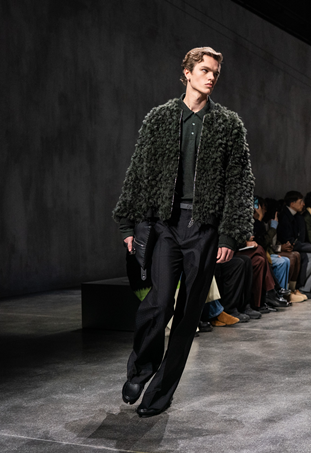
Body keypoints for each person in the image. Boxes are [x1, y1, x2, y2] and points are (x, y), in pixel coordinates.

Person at [112, 47, 254, 417]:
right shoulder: (159, 118)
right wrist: (128, 224)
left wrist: (230, 235)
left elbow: (240, 183)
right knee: (159, 302)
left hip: (203, 228)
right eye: (205, 70)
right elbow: (138, 171)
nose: (211, 77)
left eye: (215, 73)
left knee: (189, 314)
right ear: (187, 73)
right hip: (166, 224)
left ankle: (160, 394)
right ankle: (141, 369)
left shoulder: (227, 124)